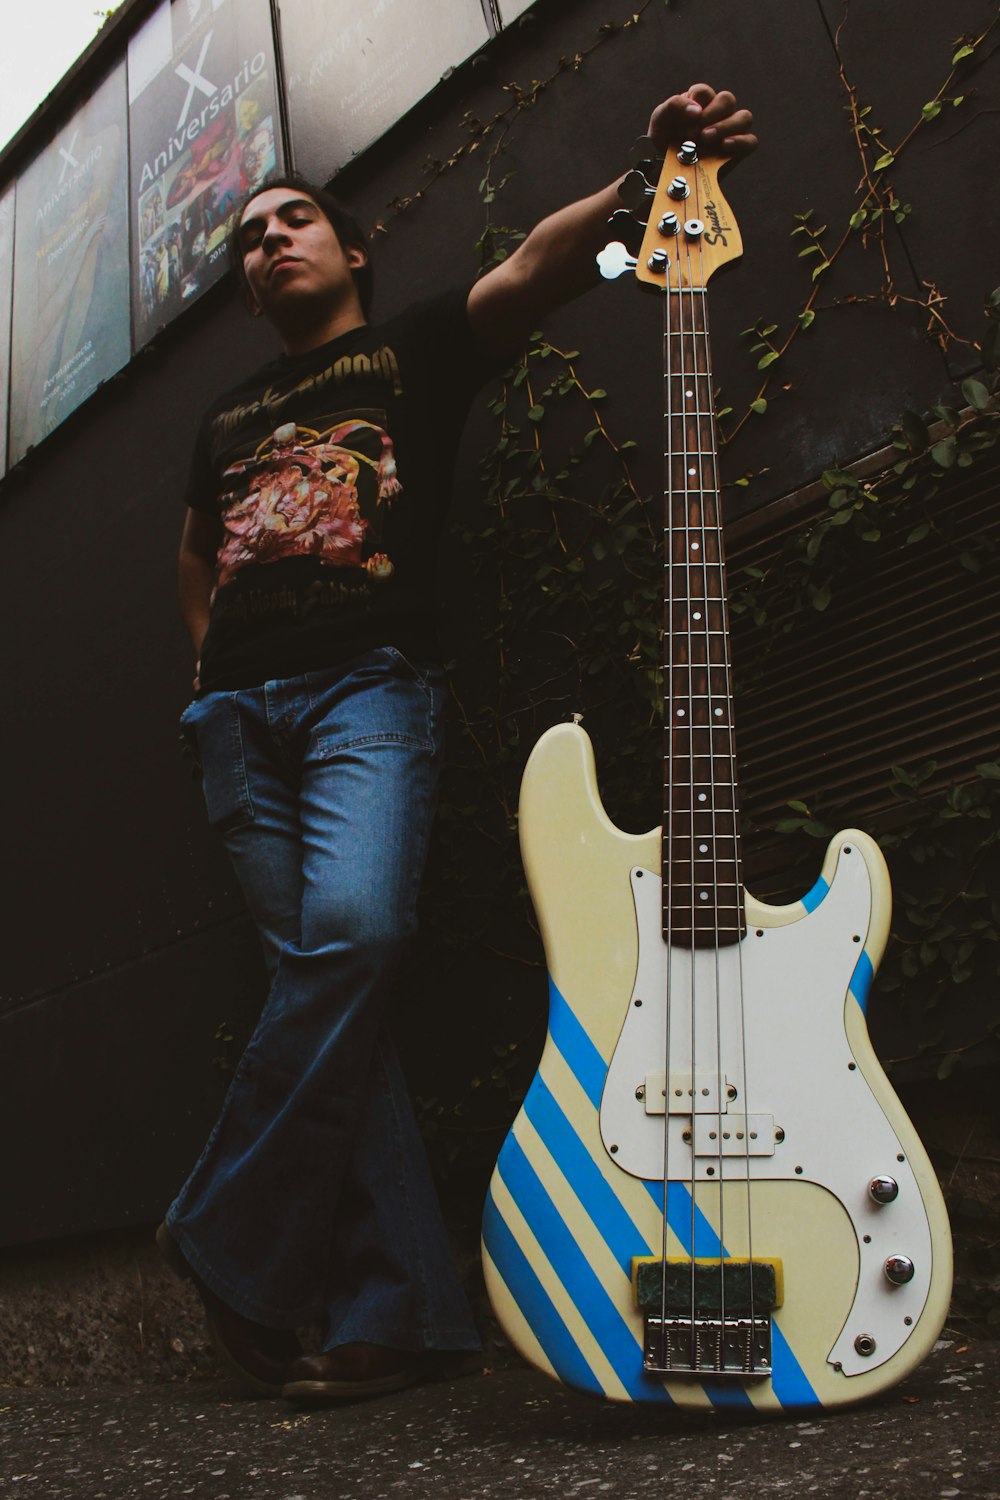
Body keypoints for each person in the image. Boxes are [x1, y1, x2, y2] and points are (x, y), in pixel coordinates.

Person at [160, 84, 757, 1406]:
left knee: (356, 939)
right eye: (251, 233)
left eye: (295, 218)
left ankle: (225, 1237)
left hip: (365, 694)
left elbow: (545, 265)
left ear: (352, 249)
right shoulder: (226, 420)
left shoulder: (414, 347)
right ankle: (407, 1314)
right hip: (239, 726)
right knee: (338, 996)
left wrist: (647, 170)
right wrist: (205, 673)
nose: (269, 239)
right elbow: (198, 557)